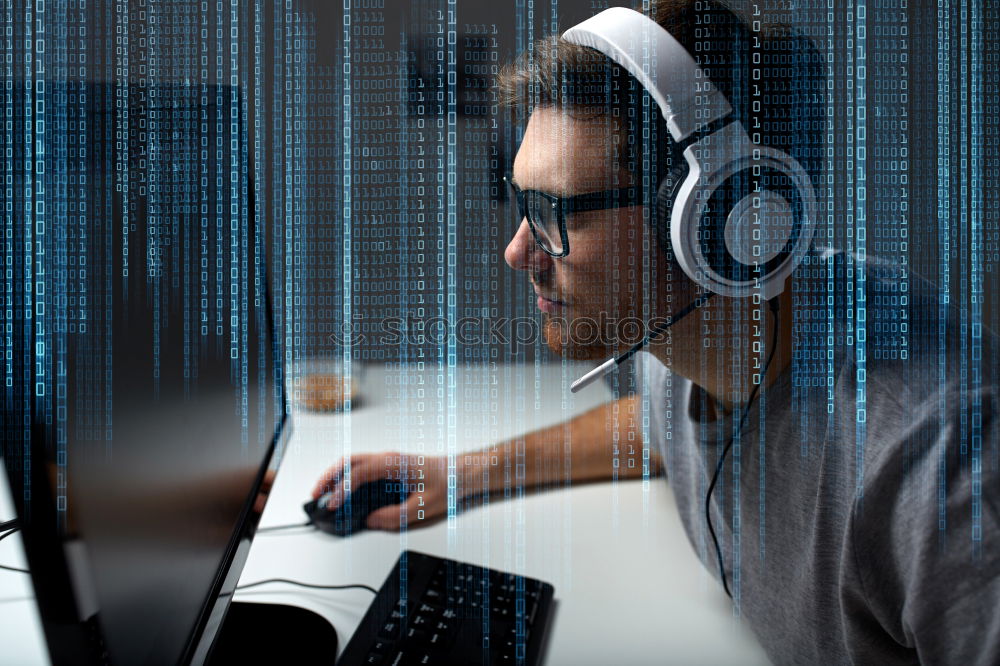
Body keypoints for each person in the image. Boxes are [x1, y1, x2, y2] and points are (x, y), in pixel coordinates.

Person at [314, 1, 1000, 663]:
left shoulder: (946, 472)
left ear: (721, 220)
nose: (518, 253)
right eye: (521, 204)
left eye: (553, 212)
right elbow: (657, 426)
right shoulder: (689, 339)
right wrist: (463, 473)